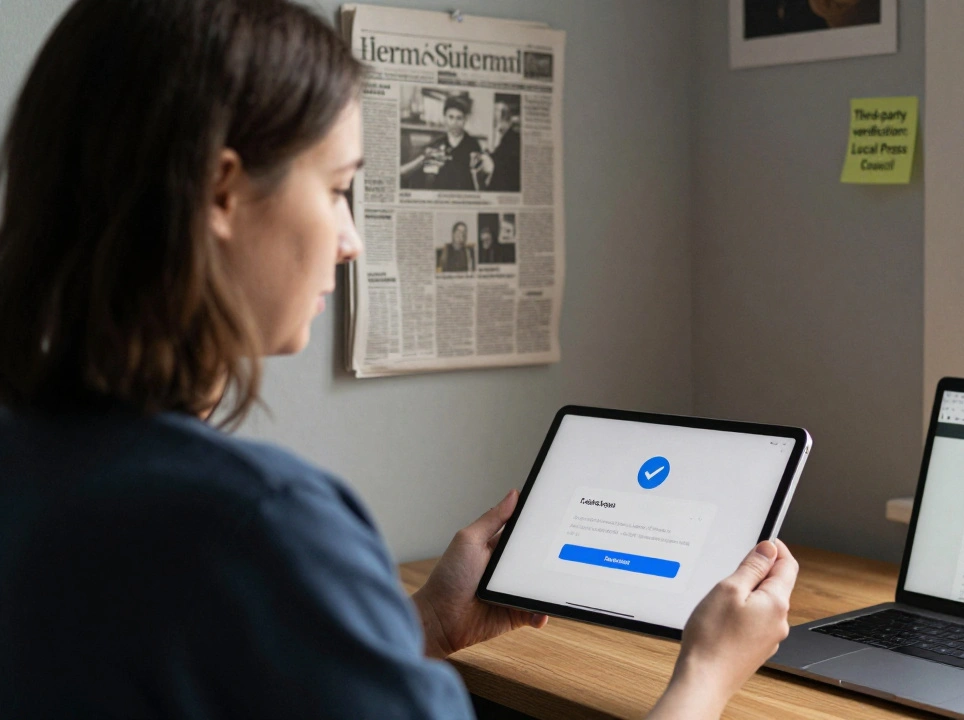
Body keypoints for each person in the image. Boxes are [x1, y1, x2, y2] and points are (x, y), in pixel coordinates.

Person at [0, 1, 798, 718]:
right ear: (221, 193)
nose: (350, 241)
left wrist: (421, 625)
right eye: (339, 188)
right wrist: (705, 675)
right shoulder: (261, 524)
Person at [401, 94, 483, 191]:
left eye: (459, 118)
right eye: (451, 117)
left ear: (465, 119)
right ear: (445, 118)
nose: (454, 123)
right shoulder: (436, 145)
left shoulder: (473, 145)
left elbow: (479, 182)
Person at [478, 97, 521, 192]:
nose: (497, 128)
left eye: (497, 122)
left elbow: (506, 167)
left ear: (505, 120)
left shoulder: (512, 138)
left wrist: (490, 161)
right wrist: (488, 154)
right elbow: (500, 156)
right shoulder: (508, 136)